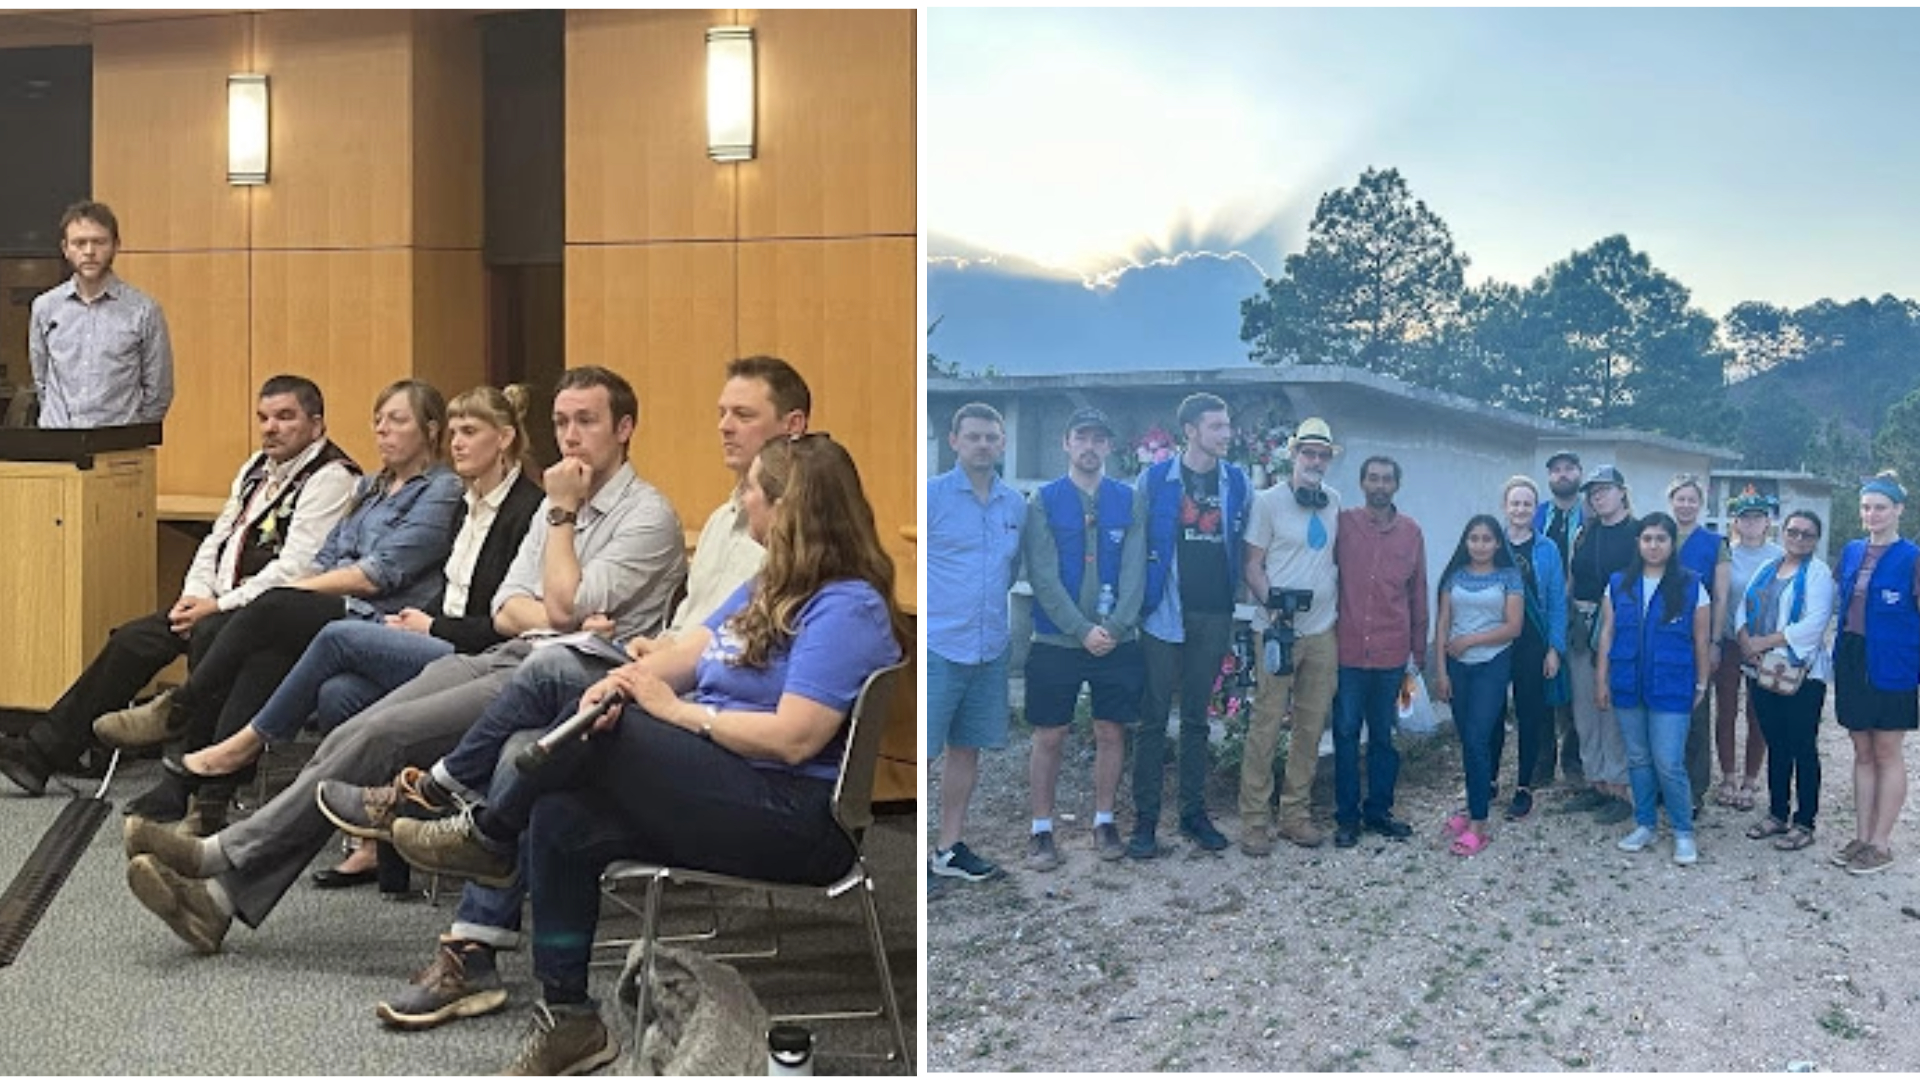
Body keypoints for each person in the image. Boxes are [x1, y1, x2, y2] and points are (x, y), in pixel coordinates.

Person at [377, 434, 909, 1074]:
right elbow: (683, 658)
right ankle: (571, 1017)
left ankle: (487, 833)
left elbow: (794, 737)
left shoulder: (845, 606)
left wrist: (675, 712)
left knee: (574, 704)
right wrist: (627, 682)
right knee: (561, 813)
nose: (742, 501)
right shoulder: (771, 584)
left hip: (794, 816)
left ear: (787, 507)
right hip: (725, 782)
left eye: (751, 491)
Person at [120, 366, 687, 953]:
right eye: (562, 422)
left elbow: (562, 605)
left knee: (386, 731)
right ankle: (219, 901)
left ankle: (220, 853)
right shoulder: (553, 510)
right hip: (509, 651)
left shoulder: (643, 515)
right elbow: (507, 607)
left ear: (624, 428)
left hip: (567, 682)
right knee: (358, 724)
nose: (570, 437)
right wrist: (553, 606)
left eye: (586, 422)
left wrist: (562, 528)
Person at [99, 380, 466, 824]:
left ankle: (181, 710)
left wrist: (288, 595)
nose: (382, 431)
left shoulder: (442, 490)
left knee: (270, 608)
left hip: (382, 619)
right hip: (332, 608)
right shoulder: (371, 487)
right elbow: (327, 555)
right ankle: (207, 797)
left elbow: (379, 574)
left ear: (430, 429)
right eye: (378, 420)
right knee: (259, 647)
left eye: (397, 420)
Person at [0, 376, 356, 797]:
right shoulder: (256, 468)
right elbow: (217, 539)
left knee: (208, 633)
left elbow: (295, 570)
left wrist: (218, 606)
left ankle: (190, 773)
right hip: (216, 601)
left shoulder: (332, 478)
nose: (270, 428)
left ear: (316, 424)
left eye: (284, 417)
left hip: (271, 615)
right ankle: (42, 754)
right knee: (134, 640)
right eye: (263, 418)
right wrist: (194, 596)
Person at [1021, 408, 1145, 869]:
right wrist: (1080, 628)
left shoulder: (1128, 499)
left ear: (1109, 446)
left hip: (1115, 639)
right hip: (1058, 639)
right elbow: (1043, 573)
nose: (1089, 447)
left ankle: (1104, 819)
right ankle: (1041, 828)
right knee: (1050, 734)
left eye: (1098, 439)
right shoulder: (1045, 501)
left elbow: (1135, 569)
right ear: (1066, 444)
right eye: (1081, 438)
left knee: (1111, 730)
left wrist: (1113, 628)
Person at [1134, 394, 1250, 858]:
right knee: (1152, 719)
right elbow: (1136, 542)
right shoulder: (1155, 479)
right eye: (1216, 426)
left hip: (1214, 611)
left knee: (1199, 718)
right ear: (1190, 431)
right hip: (1163, 610)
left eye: (1228, 426)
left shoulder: (1237, 482)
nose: (1226, 434)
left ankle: (1193, 813)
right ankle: (1145, 820)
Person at [926, 403, 1025, 882]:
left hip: (989, 648)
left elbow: (1010, 571)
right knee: (923, 752)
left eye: (991, 437)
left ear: (1002, 443)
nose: (983, 445)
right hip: (939, 646)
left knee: (966, 749)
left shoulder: (1015, 505)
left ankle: (948, 849)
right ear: (955, 442)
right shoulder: (932, 498)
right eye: (974, 437)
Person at [1235, 415, 1334, 853]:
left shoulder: (1334, 501)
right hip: (1277, 631)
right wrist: (1272, 606)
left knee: (1311, 726)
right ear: (1294, 455)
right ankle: (1254, 820)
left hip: (1323, 630)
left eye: (1322, 454)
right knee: (1267, 724)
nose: (1315, 460)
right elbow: (1252, 564)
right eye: (1308, 452)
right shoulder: (1267, 502)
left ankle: (1295, 813)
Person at [1595, 512, 1711, 866]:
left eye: (1661, 538)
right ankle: (1644, 823)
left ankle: (1683, 831)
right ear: (1638, 543)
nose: (1653, 545)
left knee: (1668, 761)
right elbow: (1608, 634)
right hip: (1628, 683)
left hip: (1672, 685)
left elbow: (1701, 640)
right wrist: (1601, 679)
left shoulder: (1692, 585)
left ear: (1671, 543)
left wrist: (1702, 682)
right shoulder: (1619, 584)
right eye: (1647, 539)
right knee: (1638, 758)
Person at [1327, 454, 1425, 849]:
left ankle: (1379, 811)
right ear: (1362, 483)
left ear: (1396, 485)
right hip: (1347, 652)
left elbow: (1417, 593)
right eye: (1373, 478)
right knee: (1347, 733)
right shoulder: (1344, 525)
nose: (1380, 485)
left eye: (1387, 479)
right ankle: (1347, 818)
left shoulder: (1411, 532)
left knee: (1384, 737)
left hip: (1393, 655)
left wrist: (1419, 651)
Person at [1829, 472, 1919, 876]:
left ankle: (1882, 843)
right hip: (1852, 656)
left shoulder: (1912, 557)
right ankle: (1862, 836)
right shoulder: (1850, 552)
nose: (1872, 514)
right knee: (1861, 750)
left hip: (1893, 663)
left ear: (1898, 509)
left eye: (1880, 507)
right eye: (1866, 507)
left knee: (1886, 750)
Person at [1736, 509, 1833, 853]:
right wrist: (1745, 639)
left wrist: (1764, 642)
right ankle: (1777, 814)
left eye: (1807, 534)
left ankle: (1804, 821)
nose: (1798, 538)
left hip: (1801, 675)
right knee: (1776, 742)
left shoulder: (1819, 575)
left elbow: (1814, 622)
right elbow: (1744, 605)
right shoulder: (1768, 568)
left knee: (1802, 747)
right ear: (1783, 532)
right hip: (1762, 669)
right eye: (1793, 531)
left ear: (1815, 539)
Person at [27, 200, 173, 428]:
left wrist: (131, 433)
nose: (89, 251)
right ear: (65, 249)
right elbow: (41, 381)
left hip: (120, 446)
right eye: (79, 243)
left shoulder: (144, 310)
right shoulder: (45, 307)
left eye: (99, 242)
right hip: (58, 443)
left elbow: (159, 390)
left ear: (116, 245)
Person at [1432, 515, 1524, 856]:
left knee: (1477, 737)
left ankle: (1479, 824)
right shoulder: (1453, 576)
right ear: (1465, 541)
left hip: (1492, 664)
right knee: (1467, 739)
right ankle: (1472, 805)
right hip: (1457, 666)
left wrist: (1471, 640)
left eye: (1487, 539)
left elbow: (1514, 626)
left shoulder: (1509, 577)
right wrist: (1440, 672)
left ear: (1498, 543)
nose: (1481, 545)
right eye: (1474, 538)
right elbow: (1443, 624)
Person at [1566, 465, 1637, 825]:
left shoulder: (1639, 534)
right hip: (1581, 625)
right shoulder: (1585, 532)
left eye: (1605, 489)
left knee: (1610, 708)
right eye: (1593, 491)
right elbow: (1572, 579)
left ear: (1622, 491)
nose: (1598, 496)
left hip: (1619, 628)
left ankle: (1619, 787)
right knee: (1584, 709)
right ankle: (1595, 781)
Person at [1498, 476, 1568, 822]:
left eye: (1527, 504)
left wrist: (1555, 648)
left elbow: (1556, 600)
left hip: (1533, 643)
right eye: (1515, 503)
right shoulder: (1490, 542)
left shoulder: (1547, 549)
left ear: (1534, 509)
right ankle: (1489, 780)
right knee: (1491, 714)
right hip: (1495, 642)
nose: (1520, 509)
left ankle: (1523, 786)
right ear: (1505, 506)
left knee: (1530, 716)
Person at [1716, 487, 1783, 811]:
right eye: (1745, 517)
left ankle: (1751, 779)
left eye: (1758, 517)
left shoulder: (1779, 556)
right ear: (1736, 522)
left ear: (1767, 521)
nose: (1752, 523)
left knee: (1759, 712)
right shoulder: (1726, 552)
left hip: (1763, 644)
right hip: (1730, 641)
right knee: (1726, 710)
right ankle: (1728, 775)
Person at [1667, 474, 1731, 813]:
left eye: (1692, 499)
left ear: (1700, 504)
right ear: (1671, 501)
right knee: (1662, 709)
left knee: (1695, 709)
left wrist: (1715, 640)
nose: (1686, 505)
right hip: (1662, 637)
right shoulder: (1657, 533)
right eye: (1681, 498)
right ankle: (1665, 783)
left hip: (1697, 637)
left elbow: (1720, 595)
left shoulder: (1713, 543)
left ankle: (1694, 789)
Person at [1534, 450, 1587, 786]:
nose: (1563, 475)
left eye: (1569, 469)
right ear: (1549, 478)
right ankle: (1541, 765)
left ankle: (1574, 764)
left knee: (1576, 692)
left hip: (1581, 613)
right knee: (1541, 687)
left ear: (1579, 474)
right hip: (1539, 614)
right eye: (1556, 470)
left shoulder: (1592, 515)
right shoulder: (1538, 515)